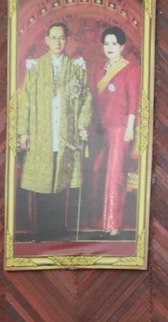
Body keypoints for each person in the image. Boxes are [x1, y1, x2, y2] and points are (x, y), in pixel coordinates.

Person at [15, 22, 91, 241]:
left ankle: (58, 230)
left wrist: (82, 125)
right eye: (54, 38)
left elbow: (86, 99)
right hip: (42, 134)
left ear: (67, 40)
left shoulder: (76, 69)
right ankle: (42, 231)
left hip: (66, 135)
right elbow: (25, 102)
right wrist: (24, 133)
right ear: (46, 40)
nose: (58, 42)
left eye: (62, 38)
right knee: (43, 181)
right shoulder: (36, 68)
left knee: (61, 181)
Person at [89, 26, 140, 238]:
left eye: (114, 44)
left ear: (122, 46)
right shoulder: (98, 68)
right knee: (97, 170)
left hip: (120, 128)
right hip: (101, 128)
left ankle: (113, 223)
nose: (110, 47)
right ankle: (99, 221)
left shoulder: (131, 69)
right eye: (106, 43)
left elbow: (134, 100)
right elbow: (93, 98)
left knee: (114, 174)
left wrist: (130, 128)